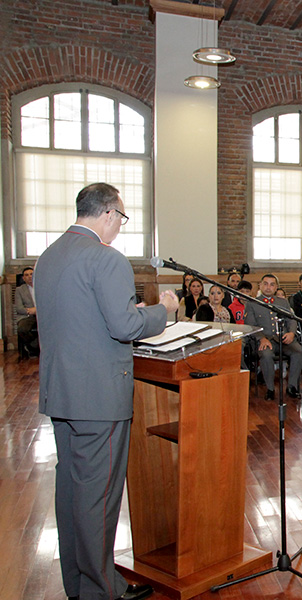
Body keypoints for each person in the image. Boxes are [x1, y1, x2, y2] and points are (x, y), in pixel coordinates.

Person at [35, 182, 179, 600]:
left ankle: (80, 584)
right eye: (121, 217)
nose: (119, 226)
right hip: (99, 397)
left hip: (61, 392)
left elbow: (80, 317)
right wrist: (162, 312)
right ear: (109, 214)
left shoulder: (50, 256)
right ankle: (102, 591)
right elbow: (125, 327)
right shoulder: (106, 258)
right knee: (98, 497)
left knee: (72, 492)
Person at [244, 273, 302, 400]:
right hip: (265, 340)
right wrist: (261, 338)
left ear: (276, 287)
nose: (268, 287)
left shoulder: (282, 302)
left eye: (272, 285)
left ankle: (292, 386)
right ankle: (270, 389)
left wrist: (291, 333)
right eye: (265, 284)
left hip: (283, 338)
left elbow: (291, 320)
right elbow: (250, 325)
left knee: (298, 351)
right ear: (260, 285)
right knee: (266, 355)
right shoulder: (253, 303)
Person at [15, 265, 39, 357]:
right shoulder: (20, 290)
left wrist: (36, 310)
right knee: (22, 329)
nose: (29, 276)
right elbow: (19, 308)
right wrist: (30, 311)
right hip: (27, 316)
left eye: (31, 274)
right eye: (26, 275)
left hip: (41, 315)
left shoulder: (42, 287)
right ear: (23, 278)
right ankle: (34, 348)